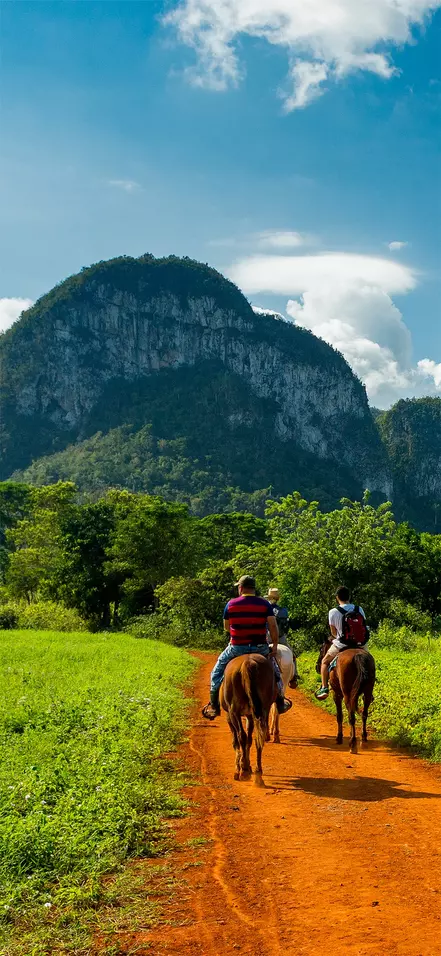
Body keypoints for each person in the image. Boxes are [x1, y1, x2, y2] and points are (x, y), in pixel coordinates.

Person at [202, 575, 292, 720]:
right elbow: (273, 626)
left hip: (237, 647)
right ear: (254, 588)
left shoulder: (231, 604)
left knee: (216, 672)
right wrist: (275, 645)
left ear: (241, 588)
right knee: (276, 672)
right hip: (260, 648)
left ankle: (214, 706)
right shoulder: (264, 604)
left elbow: (226, 627)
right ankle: (280, 701)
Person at [315, 586, 368, 700]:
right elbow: (364, 626)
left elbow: (334, 633)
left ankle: (324, 687)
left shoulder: (333, 612)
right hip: (360, 644)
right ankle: (368, 690)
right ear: (349, 597)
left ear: (337, 597)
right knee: (368, 663)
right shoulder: (359, 609)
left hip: (342, 644)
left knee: (324, 662)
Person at [266, 587, 299, 688]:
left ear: (269, 598)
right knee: (292, 655)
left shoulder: (265, 609)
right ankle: (294, 677)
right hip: (281, 638)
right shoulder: (283, 610)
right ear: (277, 599)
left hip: (267, 637)